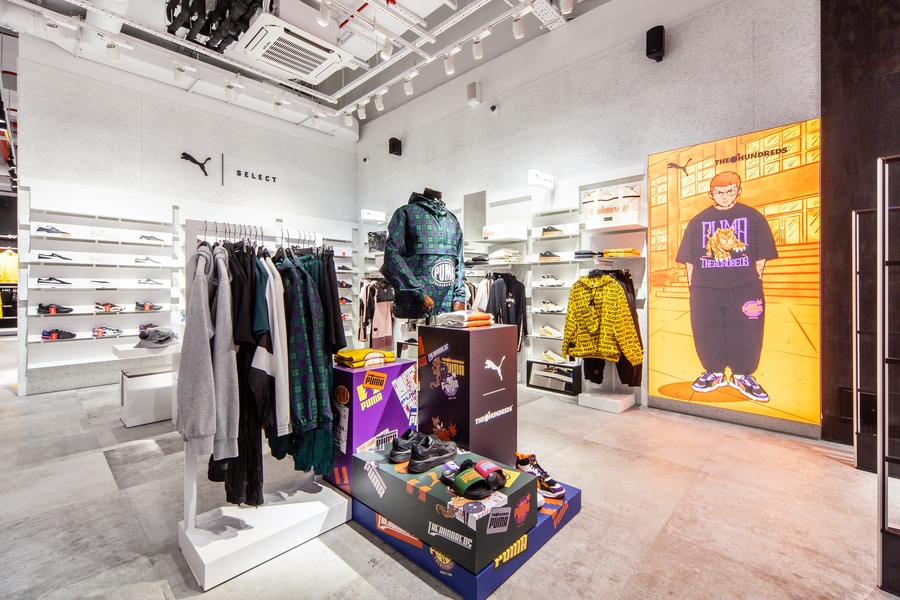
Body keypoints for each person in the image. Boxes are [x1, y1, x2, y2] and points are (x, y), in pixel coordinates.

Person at [675, 171, 778, 402]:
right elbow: (689, 261)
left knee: (747, 332)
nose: (724, 196)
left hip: (745, 288)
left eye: (730, 191)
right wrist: (694, 285)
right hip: (704, 289)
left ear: (738, 191)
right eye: (719, 192)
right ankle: (714, 373)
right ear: (711, 194)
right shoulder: (698, 221)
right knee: (706, 331)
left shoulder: (753, 217)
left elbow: (761, 256)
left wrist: (753, 279)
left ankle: (742, 376)